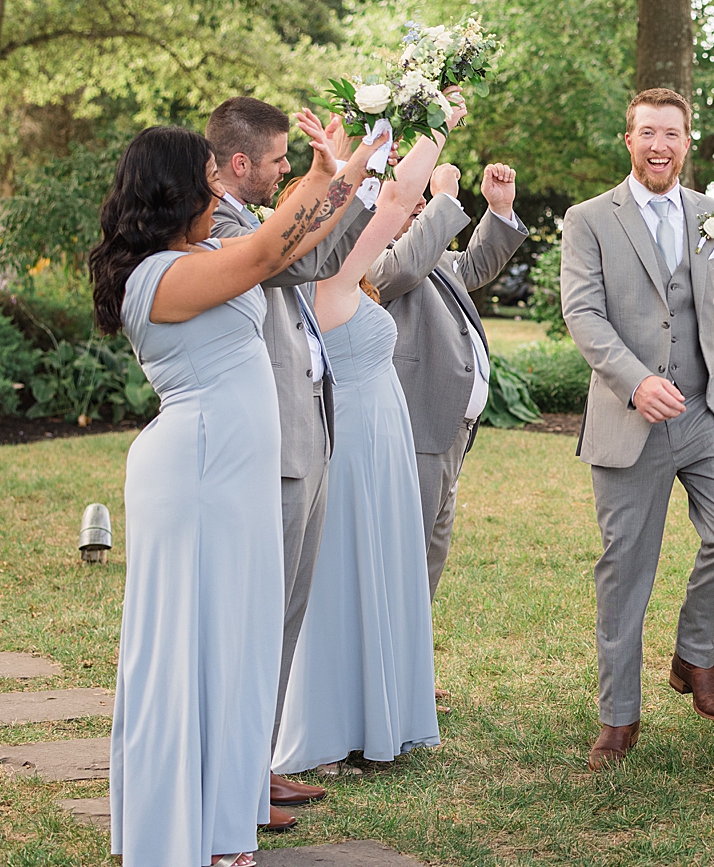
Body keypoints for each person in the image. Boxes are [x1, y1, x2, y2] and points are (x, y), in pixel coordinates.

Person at [93, 117, 383, 867]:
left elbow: (285, 244)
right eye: (209, 178)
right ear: (175, 189)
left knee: (239, 649)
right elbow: (266, 250)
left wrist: (328, 174)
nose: (220, 187)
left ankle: (222, 829)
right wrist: (335, 175)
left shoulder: (203, 251)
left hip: (236, 474)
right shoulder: (157, 276)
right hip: (194, 474)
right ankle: (170, 834)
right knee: (191, 651)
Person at [559, 88, 714, 771]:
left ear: (685, 141)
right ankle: (618, 717)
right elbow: (583, 313)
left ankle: (693, 655)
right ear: (630, 140)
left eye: (671, 133)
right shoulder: (589, 220)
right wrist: (634, 379)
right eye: (647, 132)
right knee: (626, 571)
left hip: (706, 412)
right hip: (630, 417)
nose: (659, 145)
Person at [206, 96, 378, 821]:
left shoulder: (254, 218)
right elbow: (286, 258)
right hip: (270, 439)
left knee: (287, 612)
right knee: (259, 616)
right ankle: (236, 780)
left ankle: (262, 761)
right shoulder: (217, 224)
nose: (284, 171)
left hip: (306, 430)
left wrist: (355, 189)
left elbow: (321, 260)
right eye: (278, 161)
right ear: (240, 162)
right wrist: (342, 173)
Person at [274, 124, 463, 776]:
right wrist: (433, 123)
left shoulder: (341, 275)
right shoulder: (329, 279)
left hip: (379, 439)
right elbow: (395, 199)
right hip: (351, 444)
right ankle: (330, 730)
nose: (363, 219)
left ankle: (373, 718)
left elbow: (384, 201)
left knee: (373, 572)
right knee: (342, 578)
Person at [365, 133, 527, 604]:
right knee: (403, 555)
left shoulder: (429, 255)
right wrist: (442, 200)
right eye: (410, 203)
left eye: (421, 206)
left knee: (431, 553)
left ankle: (411, 668)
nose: (418, 212)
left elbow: (474, 266)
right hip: (413, 426)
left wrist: (498, 210)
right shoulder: (368, 257)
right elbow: (399, 273)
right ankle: (390, 672)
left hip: (449, 429)